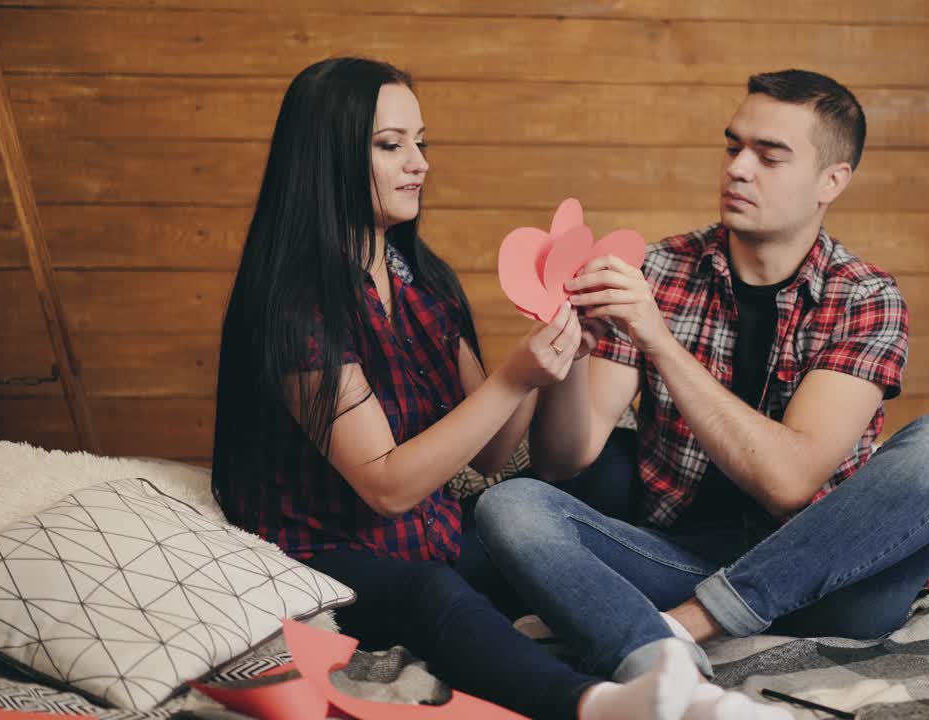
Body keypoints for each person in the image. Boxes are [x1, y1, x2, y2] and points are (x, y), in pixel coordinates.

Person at [209, 57, 789, 720]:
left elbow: (489, 455)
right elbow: (388, 486)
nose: (419, 163)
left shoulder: (424, 281)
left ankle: (671, 662)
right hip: (328, 555)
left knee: (542, 533)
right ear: (326, 156)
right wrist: (514, 376)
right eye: (391, 146)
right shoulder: (296, 303)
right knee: (432, 593)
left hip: (432, 535)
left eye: (420, 144)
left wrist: (558, 355)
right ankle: (594, 704)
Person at [475, 69, 929, 683]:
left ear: (832, 180)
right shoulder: (660, 269)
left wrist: (658, 342)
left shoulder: (865, 297)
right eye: (733, 147)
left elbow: (790, 482)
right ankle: (654, 637)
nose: (738, 169)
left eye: (769, 156)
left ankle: (678, 629)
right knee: (511, 504)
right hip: (679, 557)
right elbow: (565, 459)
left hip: (833, 586)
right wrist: (571, 349)